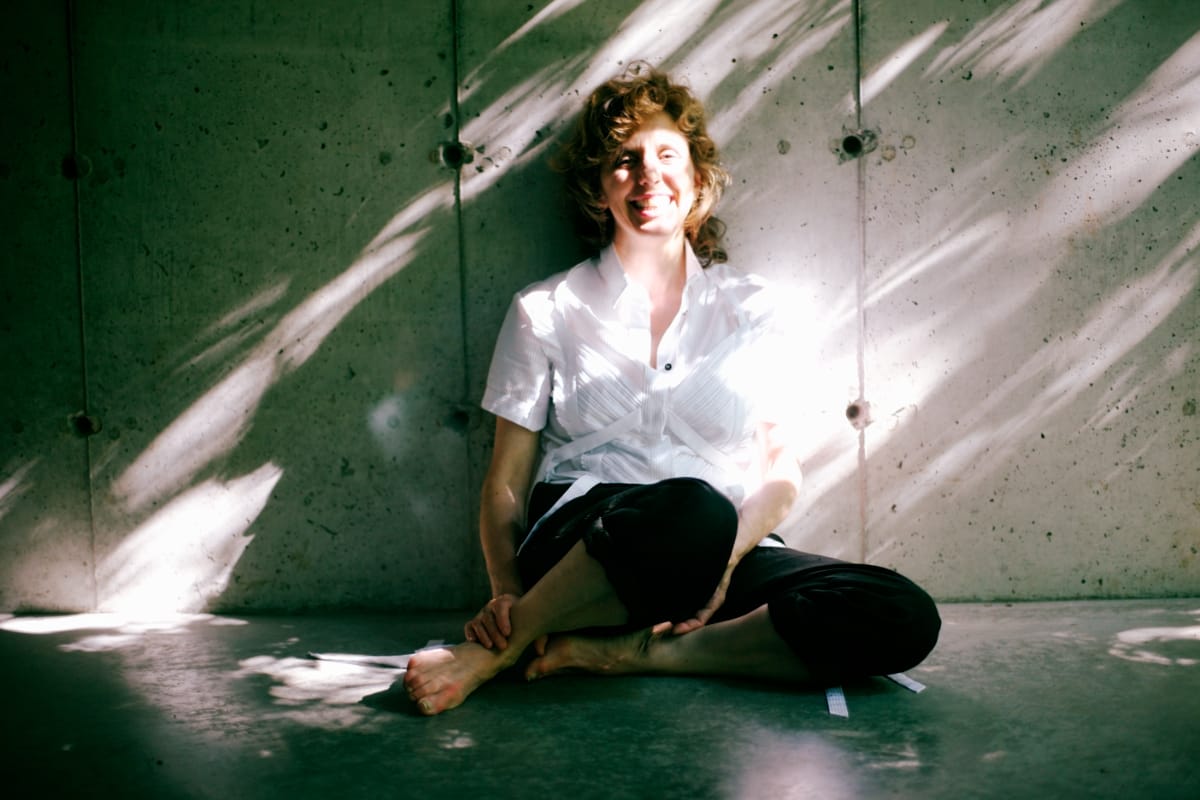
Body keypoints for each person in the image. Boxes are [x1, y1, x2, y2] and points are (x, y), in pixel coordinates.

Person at [403, 64, 940, 716]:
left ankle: (638, 653)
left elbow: (779, 471)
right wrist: (505, 594)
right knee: (692, 511)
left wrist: (725, 564)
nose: (647, 175)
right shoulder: (544, 310)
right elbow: (506, 484)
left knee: (899, 612)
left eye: (666, 156)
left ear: (698, 182)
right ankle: (509, 643)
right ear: (599, 189)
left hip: (719, 547)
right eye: (624, 161)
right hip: (585, 549)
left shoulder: (754, 309)